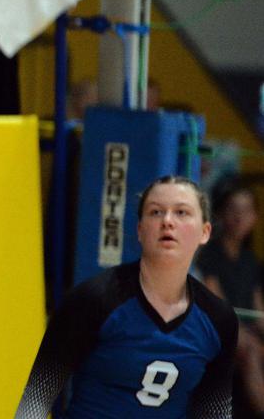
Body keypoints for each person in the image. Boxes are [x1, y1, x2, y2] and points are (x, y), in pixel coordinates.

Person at [15, 176, 238, 418]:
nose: (167, 221)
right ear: (140, 230)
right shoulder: (94, 299)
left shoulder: (219, 320)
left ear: (205, 232)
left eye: (182, 212)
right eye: (155, 212)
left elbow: (214, 414)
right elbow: (34, 403)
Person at [196, 179, 264, 415]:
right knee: (252, 350)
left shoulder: (250, 260)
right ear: (220, 214)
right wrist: (247, 336)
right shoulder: (210, 253)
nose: (239, 217)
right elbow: (218, 307)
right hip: (222, 330)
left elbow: (258, 311)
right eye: (233, 209)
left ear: (255, 216)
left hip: (247, 331)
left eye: (246, 210)